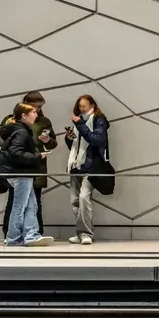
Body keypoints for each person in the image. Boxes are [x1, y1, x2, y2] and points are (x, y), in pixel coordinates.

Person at [0, 91, 56, 243]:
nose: (37, 111)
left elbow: (52, 142)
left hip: (31, 168)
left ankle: (31, 234)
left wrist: (47, 141)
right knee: (19, 204)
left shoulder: (40, 122)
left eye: (39, 108)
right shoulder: (18, 128)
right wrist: (9, 148)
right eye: (34, 109)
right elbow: (12, 148)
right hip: (22, 168)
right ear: (24, 112)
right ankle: (14, 236)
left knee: (32, 204)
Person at [64, 94, 109, 245]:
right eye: (79, 106)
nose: (81, 108)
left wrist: (80, 125)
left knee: (84, 198)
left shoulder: (99, 120)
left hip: (92, 166)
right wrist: (69, 138)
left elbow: (95, 139)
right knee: (75, 201)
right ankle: (80, 232)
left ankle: (86, 233)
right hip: (76, 165)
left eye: (84, 106)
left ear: (92, 105)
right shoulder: (79, 121)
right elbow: (75, 146)